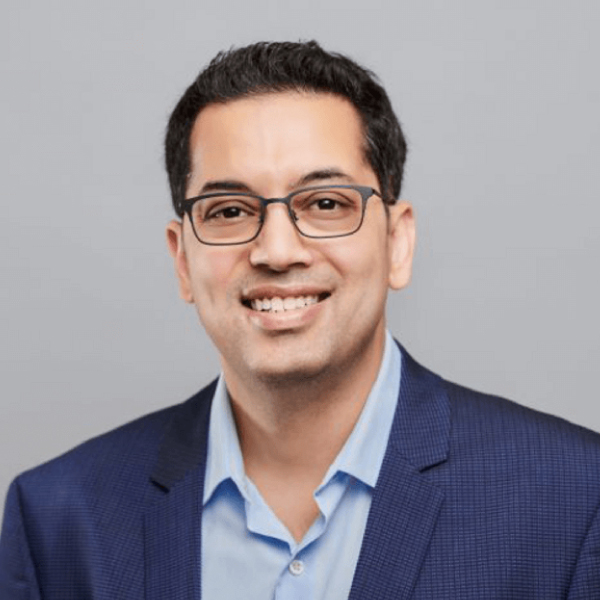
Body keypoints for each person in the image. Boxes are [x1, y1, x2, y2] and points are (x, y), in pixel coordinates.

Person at [1, 40, 599, 600]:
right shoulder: (58, 518)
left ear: (397, 243)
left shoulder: (574, 497)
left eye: (326, 203)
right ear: (182, 260)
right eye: (229, 210)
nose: (277, 251)